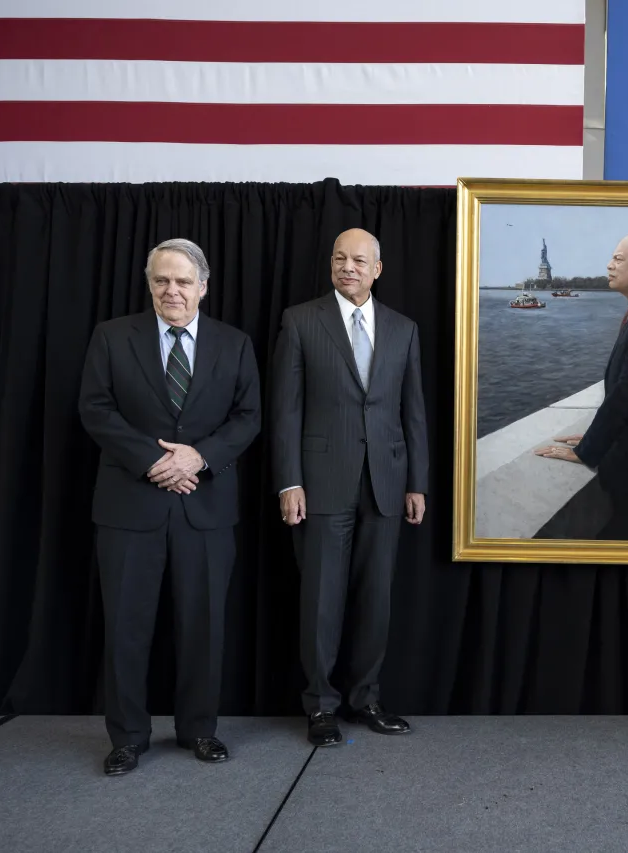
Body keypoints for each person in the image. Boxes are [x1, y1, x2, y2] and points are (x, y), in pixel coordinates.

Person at [78, 238, 261, 776]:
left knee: (203, 626)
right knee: (126, 628)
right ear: (150, 284)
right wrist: (152, 463)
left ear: (203, 286)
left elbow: (248, 417)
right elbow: (95, 408)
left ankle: (200, 730)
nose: (172, 290)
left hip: (205, 508)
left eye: (183, 281)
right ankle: (128, 738)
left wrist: (198, 458)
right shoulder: (112, 337)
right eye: (162, 280)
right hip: (129, 508)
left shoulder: (234, 343)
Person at [270, 227, 428, 747]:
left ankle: (367, 699)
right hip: (320, 484)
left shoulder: (404, 329)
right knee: (321, 599)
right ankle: (320, 707)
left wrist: (417, 483)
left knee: (375, 599)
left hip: (386, 483)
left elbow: (413, 413)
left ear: (377, 269)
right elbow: (285, 410)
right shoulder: (299, 321)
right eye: (340, 258)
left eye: (359, 260)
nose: (348, 267)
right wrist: (289, 480)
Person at [535, 233, 628, 539]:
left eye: (618, 259)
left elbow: (627, 394)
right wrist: (603, 433)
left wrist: (587, 450)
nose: (609, 265)